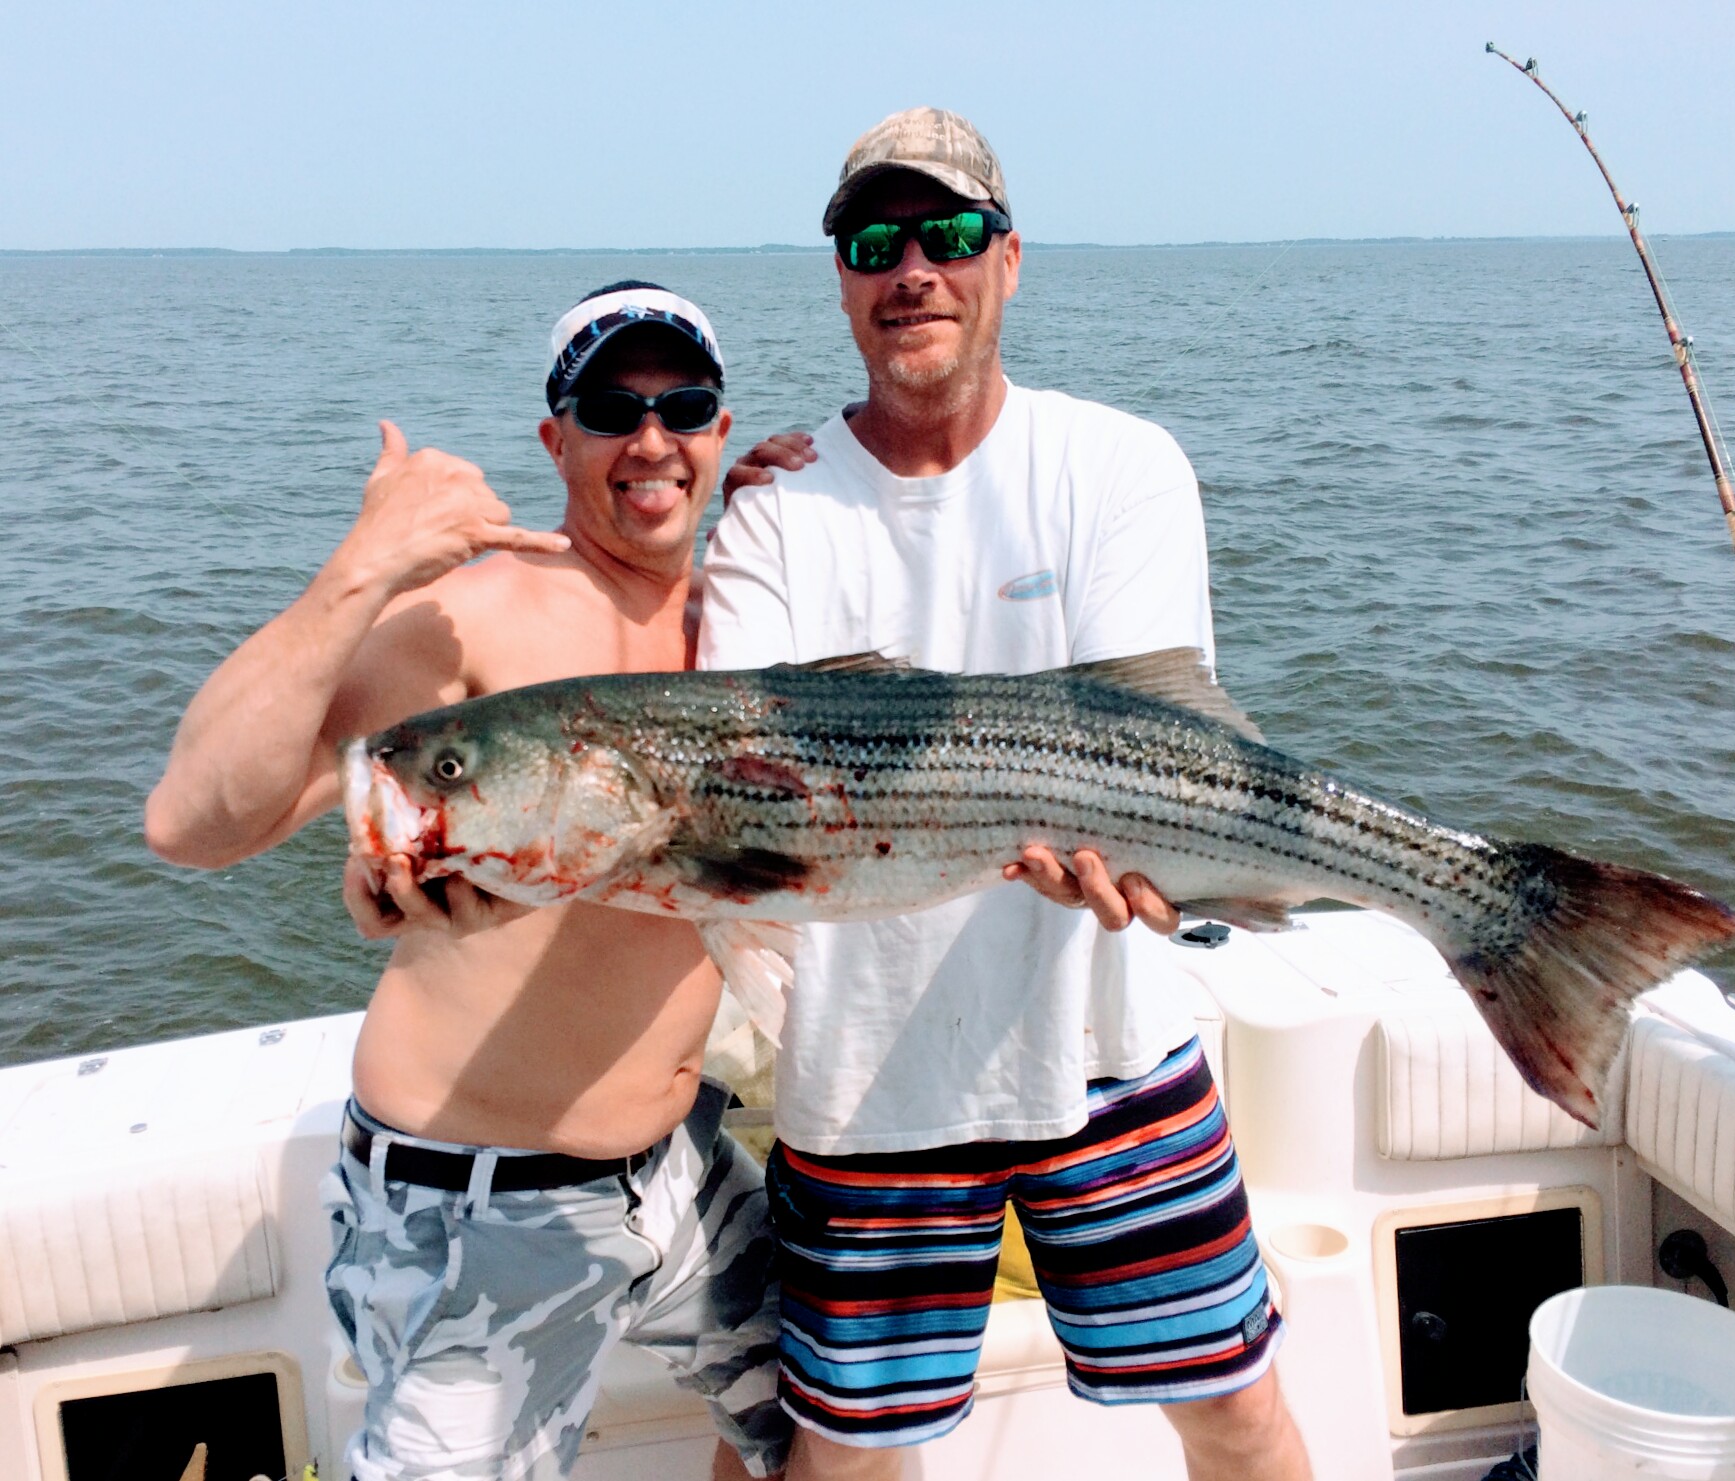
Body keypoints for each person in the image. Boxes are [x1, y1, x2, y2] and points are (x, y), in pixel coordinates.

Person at [700, 110, 1313, 1481]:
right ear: (842, 282)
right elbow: (744, 783)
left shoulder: (1119, 465)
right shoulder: (773, 512)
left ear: (1010, 259)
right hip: (867, 1075)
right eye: (875, 242)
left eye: (950, 233)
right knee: (846, 1456)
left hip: (1109, 1038)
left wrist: (1145, 851)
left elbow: (1144, 737)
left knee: (1235, 1407)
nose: (911, 267)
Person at [144, 283, 810, 1481]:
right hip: (482, 1210)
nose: (651, 439)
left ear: (720, 430)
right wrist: (364, 567)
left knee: (825, 1427)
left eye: (683, 407)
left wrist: (815, 506)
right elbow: (194, 822)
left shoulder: (742, 616)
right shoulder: (473, 617)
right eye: (610, 410)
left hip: (681, 1170)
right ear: (556, 439)